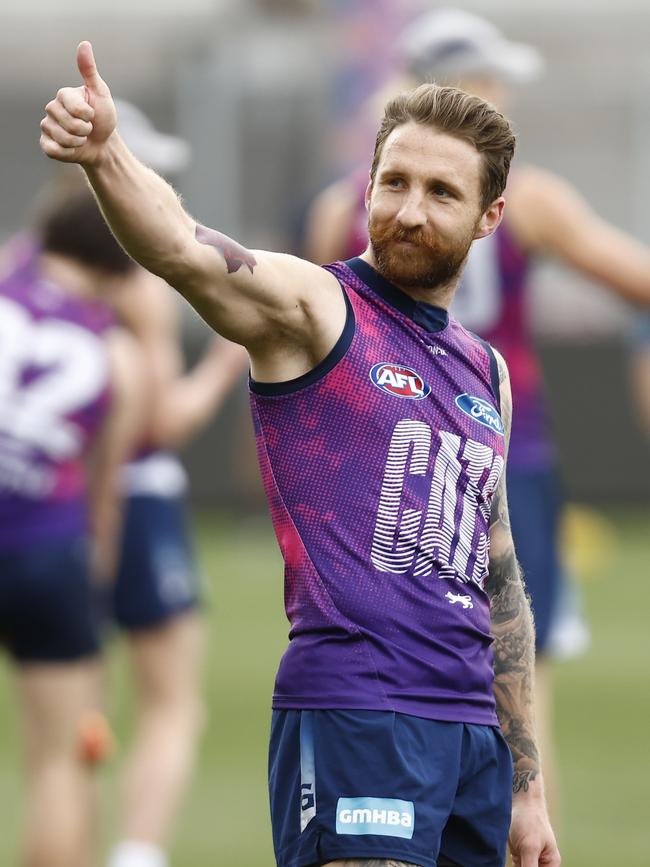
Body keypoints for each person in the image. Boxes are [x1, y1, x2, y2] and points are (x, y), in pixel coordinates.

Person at [40, 42, 560, 867]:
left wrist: (527, 783)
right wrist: (108, 155)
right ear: (368, 183)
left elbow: (498, 580)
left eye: (440, 192)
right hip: (358, 712)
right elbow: (181, 247)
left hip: (471, 745)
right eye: (394, 182)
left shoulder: (484, 371)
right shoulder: (319, 309)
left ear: (490, 216)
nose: (408, 211)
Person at [305, 6, 650, 817]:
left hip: (380, 475)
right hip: (501, 461)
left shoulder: (349, 203)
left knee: (394, 694)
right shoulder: (527, 200)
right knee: (524, 710)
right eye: (491, 83)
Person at [88, 104, 248, 867]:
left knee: (74, 706)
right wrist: (226, 362)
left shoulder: (24, 263)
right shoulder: (136, 282)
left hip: (48, 499)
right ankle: (137, 853)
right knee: (171, 704)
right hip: (138, 498)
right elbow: (163, 420)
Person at [0, 190, 144, 867]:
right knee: (61, 760)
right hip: (46, 555)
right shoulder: (116, 352)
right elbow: (102, 492)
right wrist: (97, 587)